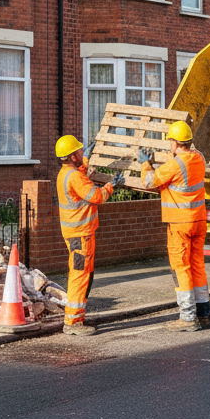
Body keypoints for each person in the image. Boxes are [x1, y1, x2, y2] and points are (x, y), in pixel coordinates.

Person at [139, 120, 210, 330]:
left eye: (170, 140)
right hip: (198, 220)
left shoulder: (175, 165)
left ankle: (188, 318)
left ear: (174, 142)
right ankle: (204, 314)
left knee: (181, 268)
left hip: (180, 224)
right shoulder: (199, 158)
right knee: (197, 265)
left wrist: (146, 164)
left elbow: (149, 181)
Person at [54, 134, 123, 336]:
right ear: (73, 156)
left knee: (85, 273)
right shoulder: (75, 177)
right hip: (80, 235)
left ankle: (77, 317)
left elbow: (81, 175)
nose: (82, 152)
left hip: (78, 233)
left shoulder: (67, 173)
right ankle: (73, 321)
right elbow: (96, 196)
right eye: (80, 151)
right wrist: (112, 185)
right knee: (80, 275)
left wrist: (86, 159)